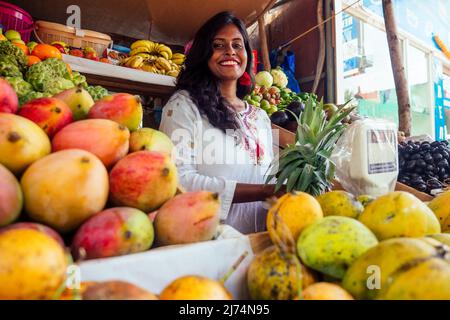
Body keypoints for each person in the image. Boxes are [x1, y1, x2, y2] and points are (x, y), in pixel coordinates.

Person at [159, 11, 283, 234]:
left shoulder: (260, 117)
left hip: (262, 243)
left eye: (238, 45)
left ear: (247, 54)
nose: (230, 52)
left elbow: (271, 174)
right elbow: (178, 180)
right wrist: (264, 191)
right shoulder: (184, 106)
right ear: (203, 53)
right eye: (218, 45)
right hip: (208, 243)